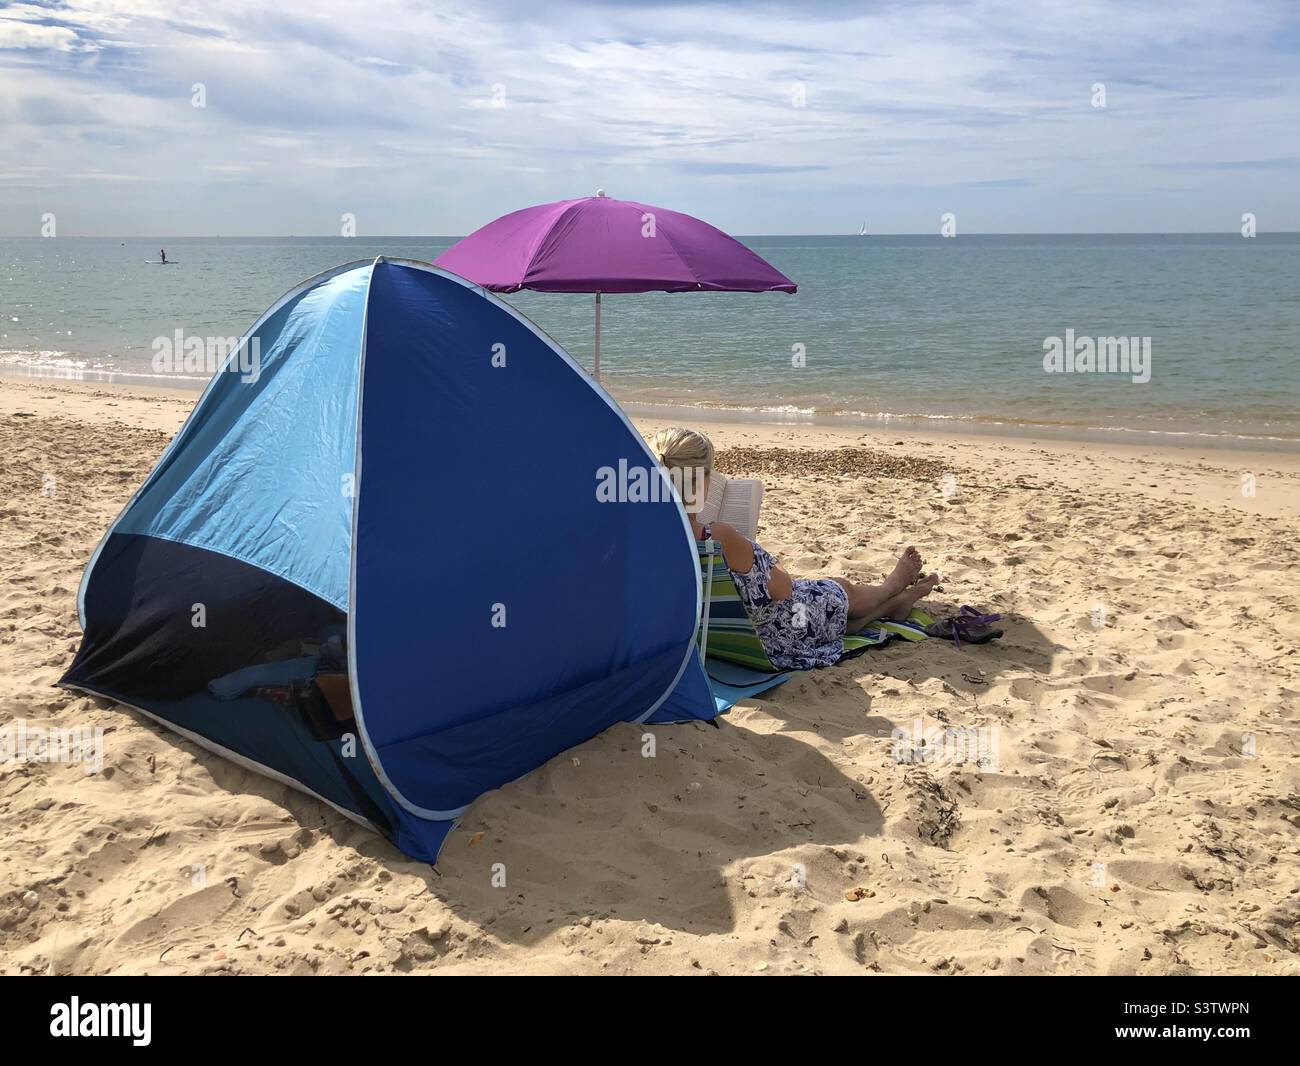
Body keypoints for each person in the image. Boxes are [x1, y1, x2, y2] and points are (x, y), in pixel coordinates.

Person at [649, 427, 939, 670]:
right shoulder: (719, 537)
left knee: (829, 606)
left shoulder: (644, 538)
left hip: (710, 638)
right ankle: (892, 587)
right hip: (774, 640)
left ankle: (892, 604)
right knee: (838, 588)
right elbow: (784, 588)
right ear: (702, 483)